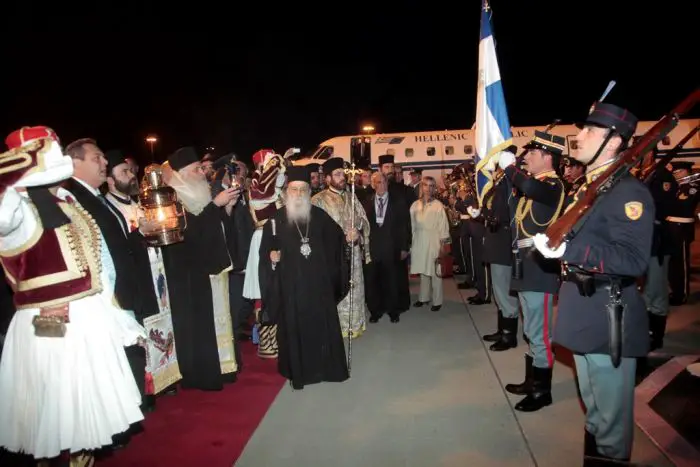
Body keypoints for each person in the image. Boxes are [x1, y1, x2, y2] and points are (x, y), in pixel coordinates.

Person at [0, 126, 145, 465]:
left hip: (89, 319)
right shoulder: (17, 206)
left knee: (87, 420)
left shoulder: (66, 201)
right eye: (50, 150)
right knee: (50, 415)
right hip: (48, 326)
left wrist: (119, 319)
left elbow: (93, 269)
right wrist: (14, 170)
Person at [533, 101, 652, 465]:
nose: (578, 136)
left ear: (614, 142)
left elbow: (632, 260)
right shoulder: (592, 187)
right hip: (585, 310)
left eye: (588, 131)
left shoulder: (627, 192)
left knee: (611, 425)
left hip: (607, 316)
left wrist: (571, 248)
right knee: (596, 415)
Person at [64, 138, 160, 415]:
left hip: (125, 289)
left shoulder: (91, 197)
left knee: (130, 355)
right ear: (75, 163)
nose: (104, 163)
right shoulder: (75, 200)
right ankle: (120, 419)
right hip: (108, 294)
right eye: (97, 158)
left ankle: (130, 411)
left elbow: (114, 240)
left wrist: (137, 233)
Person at [258, 165, 349, 389]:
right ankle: (298, 372)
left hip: (318, 288)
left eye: (303, 189)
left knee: (321, 327)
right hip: (292, 289)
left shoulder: (319, 216)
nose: (298, 194)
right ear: (287, 192)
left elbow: (338, 240)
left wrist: (350, 236)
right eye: (294, 190)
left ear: (309, 192)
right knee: (295, 329)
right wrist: (272, 257)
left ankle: (327, 368)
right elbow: (265, 252)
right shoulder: (276, 220)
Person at [498, 131, 567, 412]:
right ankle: (531, 381)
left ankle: (542, 391)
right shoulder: (534, 185)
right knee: (531, 329)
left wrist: (510, 167)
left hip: (540, 267)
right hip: (525, 264)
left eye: (532, 154)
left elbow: (531, 188)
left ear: (548, 157)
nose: (526, 157)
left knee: (540, 332)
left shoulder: (553, 186)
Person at [160, 146, 239, 390]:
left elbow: (213, 226)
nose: (202, 173)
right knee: (201, 324)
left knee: (219, 320)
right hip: (190, 273)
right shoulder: (173, 197)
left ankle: (224, 367)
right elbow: (189, 233)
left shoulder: (200, 191)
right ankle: (203, 373)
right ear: (182, 173)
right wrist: (216, 206)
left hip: (211, 267)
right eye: (196, 169)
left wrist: (226, 209)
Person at [312, 157, 371, 337]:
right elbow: (315, 231)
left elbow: (364, 220)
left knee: (355, 287)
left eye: (342, 174)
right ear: (328, 178)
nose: (342, 177)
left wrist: (358, 230)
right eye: (337, 174)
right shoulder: (318, 200)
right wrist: (341, 237)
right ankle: (335, 327)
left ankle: (354, 325)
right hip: (333, 256)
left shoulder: (352, 195)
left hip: (352, 253)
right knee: (337, 289)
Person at [244, 149, 286, 358]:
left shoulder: (274, 188)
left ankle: (277, 339)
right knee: (264, 292)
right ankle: (266, 344)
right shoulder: (257, 187)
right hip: (263, 241)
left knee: (277, 290)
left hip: (277, 240)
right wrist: (276, 165)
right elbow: (264, 193)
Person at [361, 171, 411, 323]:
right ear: (372, 185)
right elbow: (361, 227)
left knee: (392, 280)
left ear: (387, 183)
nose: (381, 185)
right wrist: (362, 247)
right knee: (373, 281)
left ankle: (393, 310)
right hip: (373, 249)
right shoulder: (366, 202)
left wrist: (404, 247)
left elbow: (405, 226)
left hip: (392, 248)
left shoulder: (398, 201)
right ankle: (376, 310)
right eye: (377, 183)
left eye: (383, 182)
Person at [643, 155, 677, 350]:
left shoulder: (661, 175)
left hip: (658, 240)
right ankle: (646, 330)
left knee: (656, 289)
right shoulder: (643, 174)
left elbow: (665, 205)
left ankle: (656, 336)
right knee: (646, 290)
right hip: (644, 240)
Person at [410, 176, 451, 311]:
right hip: (419, 240)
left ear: (434, 188)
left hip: (434, 240)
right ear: (422, 187)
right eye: (426, 185)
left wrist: (443, 245)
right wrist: (410, 243)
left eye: (432, 186)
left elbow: (443, 226)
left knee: (435, 271)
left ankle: (437, 301)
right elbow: (411, 225)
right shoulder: (415, 205)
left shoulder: (438, 205)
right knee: (423, 270)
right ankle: (423, 298)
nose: (429, 188)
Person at [665, 161, 700, 305]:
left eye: (678, 172)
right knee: (673, 264)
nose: (676, 175)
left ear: (686, 172)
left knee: (682, 265)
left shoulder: (692, 188)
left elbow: (685, 205)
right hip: (671, 227)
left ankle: (683, 294)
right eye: (674, 173)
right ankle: (675, 292)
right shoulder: (676, 187)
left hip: (683, 228)